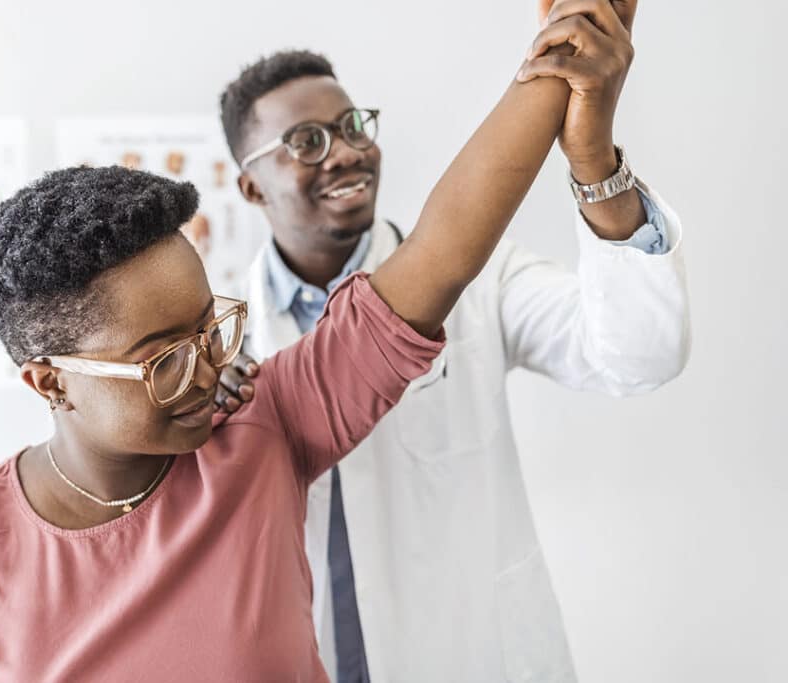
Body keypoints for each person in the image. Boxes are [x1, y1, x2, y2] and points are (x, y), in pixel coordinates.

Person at [0, 13, 587, 683]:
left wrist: (560, 62)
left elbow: (441, 252)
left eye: (212, 329)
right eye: (166, 360)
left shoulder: (259, 433)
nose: (213, 370)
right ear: (50, 382)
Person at [217, 2, 689, 681]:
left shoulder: (482, 278)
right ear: (250, 185)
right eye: (307, 141)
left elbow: (641, 353)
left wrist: (594, 160)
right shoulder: (220, 345)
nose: (345, 150)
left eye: (352, 126)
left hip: (474, 655)